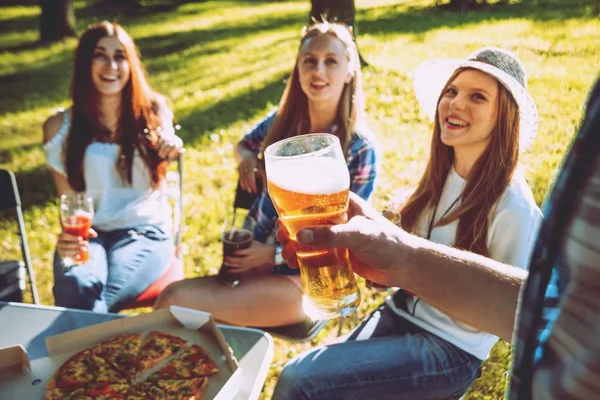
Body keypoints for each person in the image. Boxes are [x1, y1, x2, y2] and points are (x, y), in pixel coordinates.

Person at [273, 78, 600, 399]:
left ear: (504, 117)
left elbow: (522, 318)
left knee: (301, 380)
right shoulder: (436, 181)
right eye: (452, 91)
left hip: (451, 348)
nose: (457, 102)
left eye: (477, 96)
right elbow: (403, 271)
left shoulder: (514, 206)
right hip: (398, 315)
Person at [154, 21, 380, 328]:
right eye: (309, 61)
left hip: (302, 283)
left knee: (172, 301)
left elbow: (348, 233)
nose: (319, 71)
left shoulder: (358, 148)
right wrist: (246, 157)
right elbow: (243, 145)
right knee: (177, 307)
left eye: (331, 61)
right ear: (298, 67)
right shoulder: (283, 122)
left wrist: (270, 255)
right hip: (249, 266)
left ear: (350, 70)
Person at [42, 21, 183, 313]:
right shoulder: (59, 127)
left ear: (130, 64)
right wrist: (70, 240)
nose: (111, 65)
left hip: (145, 232)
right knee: (76, 287)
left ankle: (72, 351)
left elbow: (168, 142)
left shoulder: (154, 110)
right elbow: (69, 204)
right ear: (84, 63)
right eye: (100, 55)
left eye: (120, 56)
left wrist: (170, 144)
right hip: (89, 235)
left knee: (91, 300)